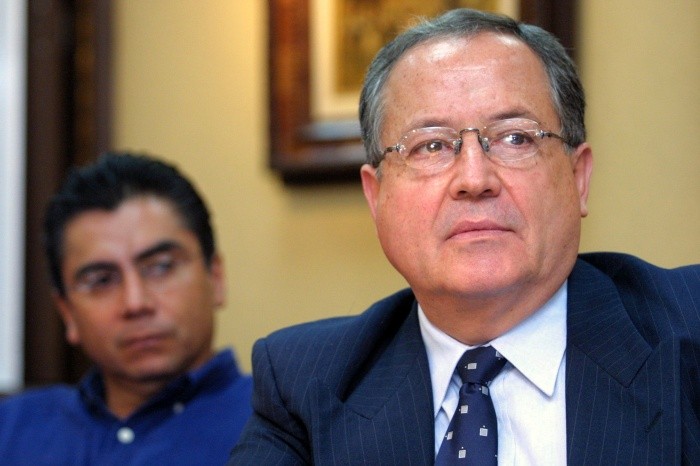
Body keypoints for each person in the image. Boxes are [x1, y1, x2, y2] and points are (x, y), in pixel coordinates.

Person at [230, 8, 700, 465]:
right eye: (431, 145)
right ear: (376, 198)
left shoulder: (688, 328)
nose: (474, 179)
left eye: (515, 138)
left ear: (579, 178)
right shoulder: (307, 385)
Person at [0, 152, 253, 465]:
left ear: (215, 277)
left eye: (161, 267)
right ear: (67, 312)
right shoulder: (11, 430)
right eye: (102, 280)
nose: (136, 303)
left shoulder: (283, 427)